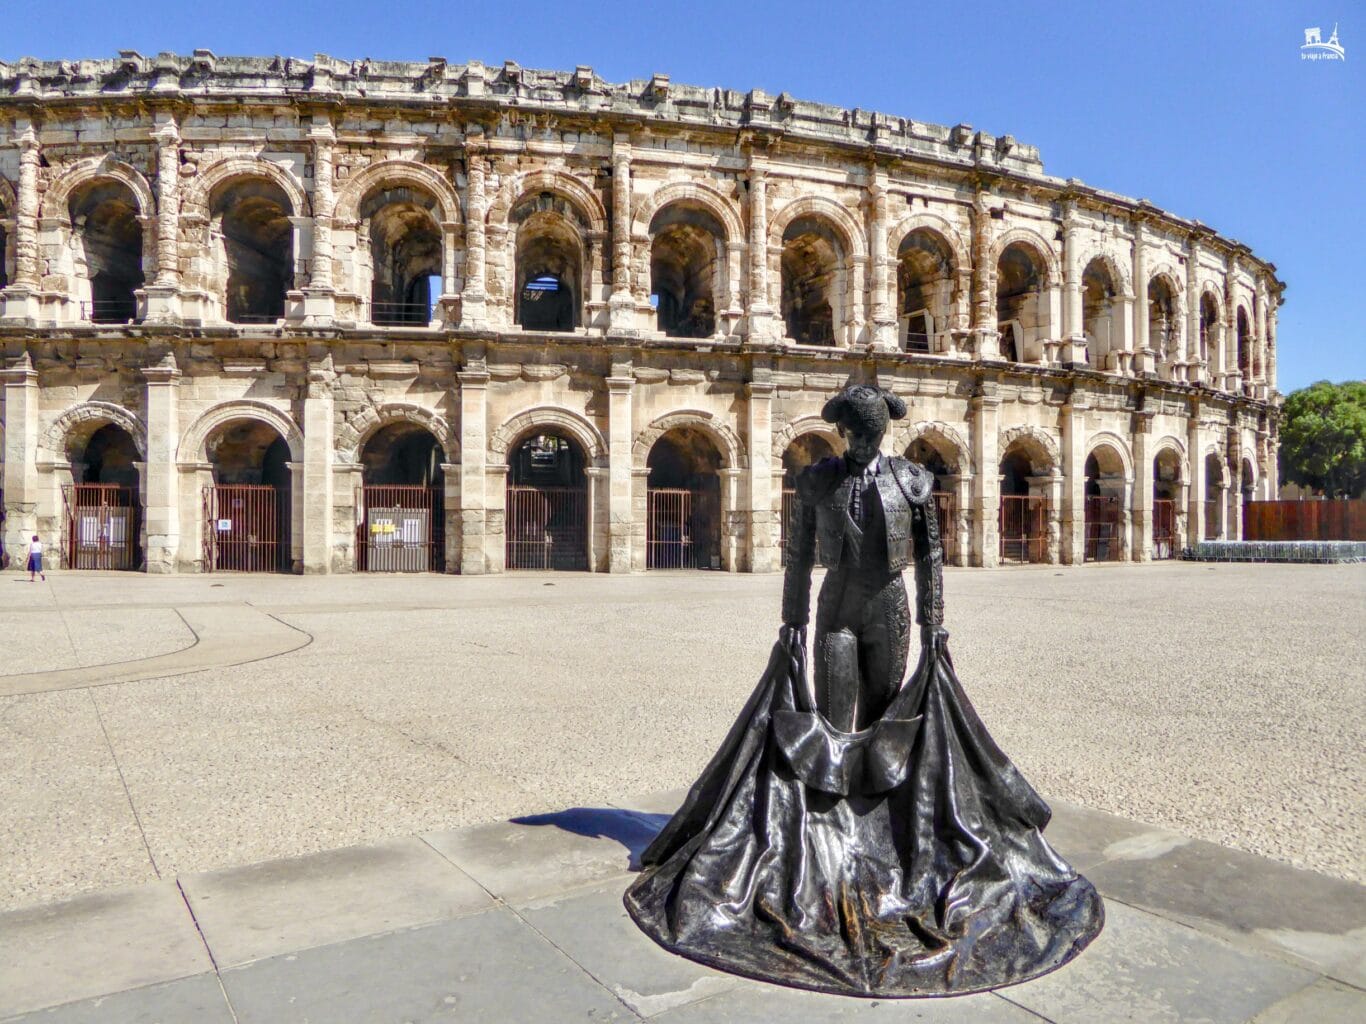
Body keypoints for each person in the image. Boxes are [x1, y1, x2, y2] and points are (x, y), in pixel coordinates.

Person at [625, 384, 1103, 998]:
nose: (858, 441)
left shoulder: (911, 480)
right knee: (831, 718)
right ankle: (831, 839)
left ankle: (881, 837)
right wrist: (792, 619)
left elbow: (930, 556)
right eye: (852, 431)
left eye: (868, 432)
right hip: (837, 607)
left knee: (885, 721)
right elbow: (799, 553)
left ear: (882, 433)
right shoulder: (818, 480)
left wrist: (934, 624)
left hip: (889, 605)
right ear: (843, 431)